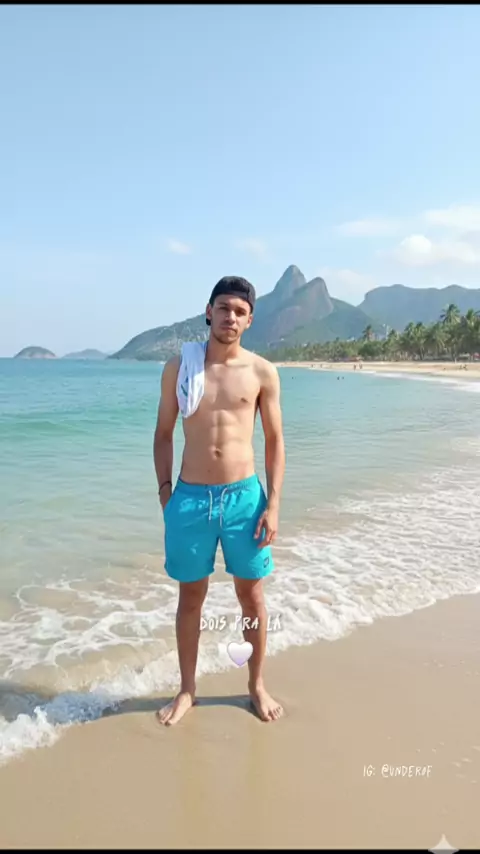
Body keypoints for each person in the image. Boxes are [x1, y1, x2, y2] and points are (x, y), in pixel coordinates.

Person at [153, 276, 286, 725]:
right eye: (224, 308)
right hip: (190, 498)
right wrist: (166, 494)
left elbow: (275, 441)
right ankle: (187, 690)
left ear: (250, 321)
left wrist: (273, 504)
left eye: (240, 311)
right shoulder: (180, 368)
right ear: (208, 312)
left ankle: (256, 685)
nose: (231, 317)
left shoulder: (262, 372)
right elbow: (163, 434)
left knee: (251, 595)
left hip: (244, 499)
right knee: (191, 596)